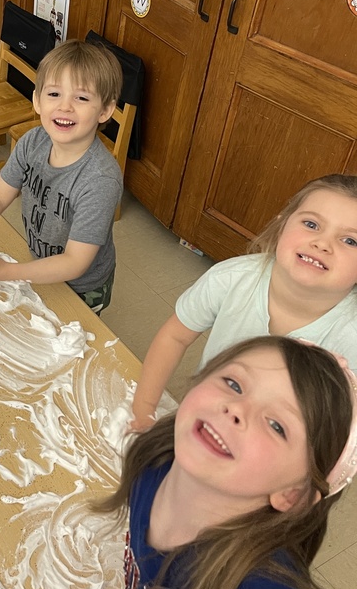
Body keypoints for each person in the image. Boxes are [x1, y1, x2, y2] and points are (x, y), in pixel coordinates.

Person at [97, 335, 357, 589]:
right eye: (234, 384)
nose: (236, 409)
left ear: (292, 493)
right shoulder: (154, 468)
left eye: (276, 425)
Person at [131, 174, 357, 432]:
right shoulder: (230, 279)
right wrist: (144, 407)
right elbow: (175, 336)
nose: (322, 243)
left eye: (350, 240)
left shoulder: (351, 336)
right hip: (206, 421)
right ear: (282, 225)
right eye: (311, 224)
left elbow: (340, 428)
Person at [0, 39, 123, 313]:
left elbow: (74, 262)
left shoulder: (100, 181)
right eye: (54, 94)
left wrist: (10, 272)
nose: (65, 107)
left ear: (105, 110)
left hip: (83, 286)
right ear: (37, 100)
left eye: (81, 98)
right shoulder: (33, 142)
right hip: (42, 263)